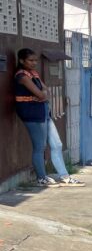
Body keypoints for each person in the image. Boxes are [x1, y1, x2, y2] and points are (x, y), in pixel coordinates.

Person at [14, 48, 84, 187]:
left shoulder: (33, 74)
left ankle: (64, 176)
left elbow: (47, 91)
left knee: (57, 144)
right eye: (30, 60)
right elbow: (41, 94)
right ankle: (41, 178)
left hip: (43, 112)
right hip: (32, 114)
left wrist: (44, 93)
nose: (34, 63)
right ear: (22, 60)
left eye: (35, 60)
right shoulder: (22, 76)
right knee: (40, 147)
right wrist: (43, 94)